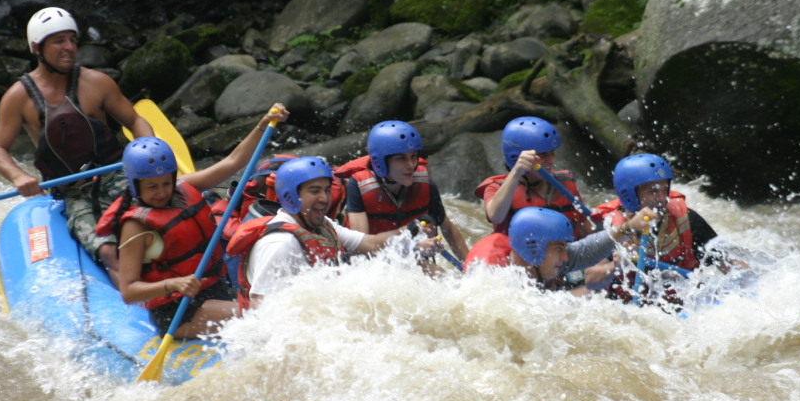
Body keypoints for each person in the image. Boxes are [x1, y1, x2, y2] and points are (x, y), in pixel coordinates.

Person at [0, 6, 154, 285]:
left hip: (118, 175)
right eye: (59, 41)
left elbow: (135, 120)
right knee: (107, 250)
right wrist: (19, 176)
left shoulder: (97, 82)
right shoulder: (18, 97)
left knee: (158, 221)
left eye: (72, 40)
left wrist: (149, 151)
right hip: (73, 193)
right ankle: (136, 302)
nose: (69, 48)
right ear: (37, 48)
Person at [95, 105, 290, 338]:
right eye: (152, 187)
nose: (161, 192)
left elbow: (232, 162)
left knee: (281, 304)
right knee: (264, 316)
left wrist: (263, 124)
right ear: (136, 185)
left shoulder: (182, 189)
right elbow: (129, 291)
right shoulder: (135, 226)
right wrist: (172, 284)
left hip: (215, 289)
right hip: (178, 310)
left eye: (166, 183)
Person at [227, 156, 441, 309]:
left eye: (327, 190)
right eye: (314, 191)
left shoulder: (323, 225)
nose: (324, 198)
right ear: (291, 196)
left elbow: (371, 243)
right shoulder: (280, 244)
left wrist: (410, 231)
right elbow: (260, 305)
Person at [590, 153, 736, 303]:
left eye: (664, 190)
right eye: (653, 191)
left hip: (681, 304)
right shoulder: (609, 227)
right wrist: (615, 266)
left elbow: (730, 264)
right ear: (629, 195)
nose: (661, 198)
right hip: (629, 309)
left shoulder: (685, 218)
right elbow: (590, 279)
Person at [334, 120, 469, 264]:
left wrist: (470, 267)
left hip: (413, 259)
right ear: (380, 162)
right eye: (401, 159)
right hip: (373, 263)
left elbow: (449, 231)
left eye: (413, 156)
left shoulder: (426, 185)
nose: (411, 165)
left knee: (438, 275)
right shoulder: (358, 186)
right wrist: (412, 245)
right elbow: (362, 248)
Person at [465, 206, 653, 295]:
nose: (565, 257)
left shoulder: (539, 257)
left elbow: (586, 250)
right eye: (559, 249)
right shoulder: (490, 279)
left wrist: (628, 227)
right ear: (534, 248)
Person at [474, 116, 593, 239]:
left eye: (552, 153)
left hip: (564, 254)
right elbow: (495, 216)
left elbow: (586, 231)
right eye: (543, 155)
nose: (551, 160)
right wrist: (516, 172)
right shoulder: (495, 187)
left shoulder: (565, 184)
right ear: (517, 157)